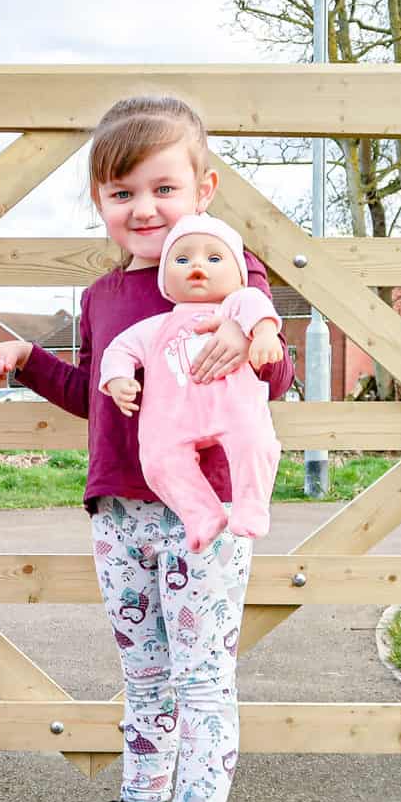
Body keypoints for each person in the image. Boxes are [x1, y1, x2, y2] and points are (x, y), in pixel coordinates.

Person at [0, 95, 294, 802]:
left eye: (163, 189)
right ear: (100, 203)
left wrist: (256, 341)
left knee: (199, 678)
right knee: (145, 674)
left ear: (205, 189)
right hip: (120, 509)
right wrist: (27, 362)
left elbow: (273, 368)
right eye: (121, 193)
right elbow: (98, 395)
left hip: (203, 511)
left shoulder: (224, 274)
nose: (144, 209)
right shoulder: (102, 297)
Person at [99, 213, 283, 554]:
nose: (197, 266)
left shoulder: (237, 306)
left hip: (235, 410)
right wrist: (118, 378)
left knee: (256, 444)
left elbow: (258, 305)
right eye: (182, 259)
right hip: (172, 419)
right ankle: (201, 514)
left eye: (214, 258)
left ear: (239, 274)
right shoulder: (157, 326)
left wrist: (266, 333)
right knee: (158, 460)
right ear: (166, 280)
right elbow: (119, 348)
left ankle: (251, 507)